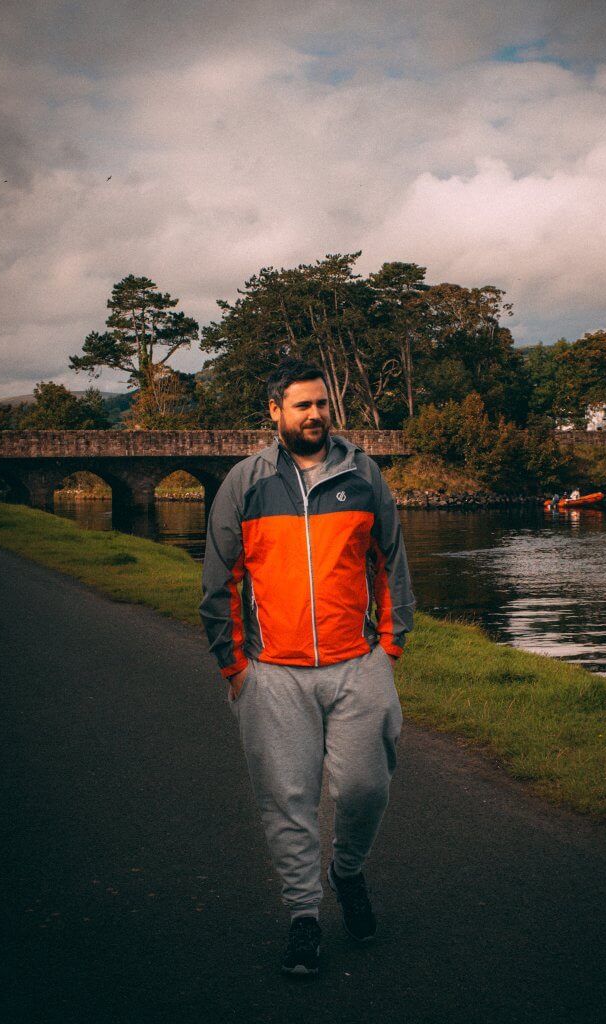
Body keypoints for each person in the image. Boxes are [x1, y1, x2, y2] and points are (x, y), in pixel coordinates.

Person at [199, 358, 415, 976]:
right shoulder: (244, 484)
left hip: (357, 664)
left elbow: (390, 563)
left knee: (366, 788)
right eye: (302, 405)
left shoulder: (364, 474)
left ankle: (347, 872)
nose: (315, 414)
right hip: (274, 674)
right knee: (287, 798)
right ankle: (303, 917)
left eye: (321, 403)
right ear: (275, 412)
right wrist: (235, 668)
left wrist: (390, 645)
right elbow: (220, 585)